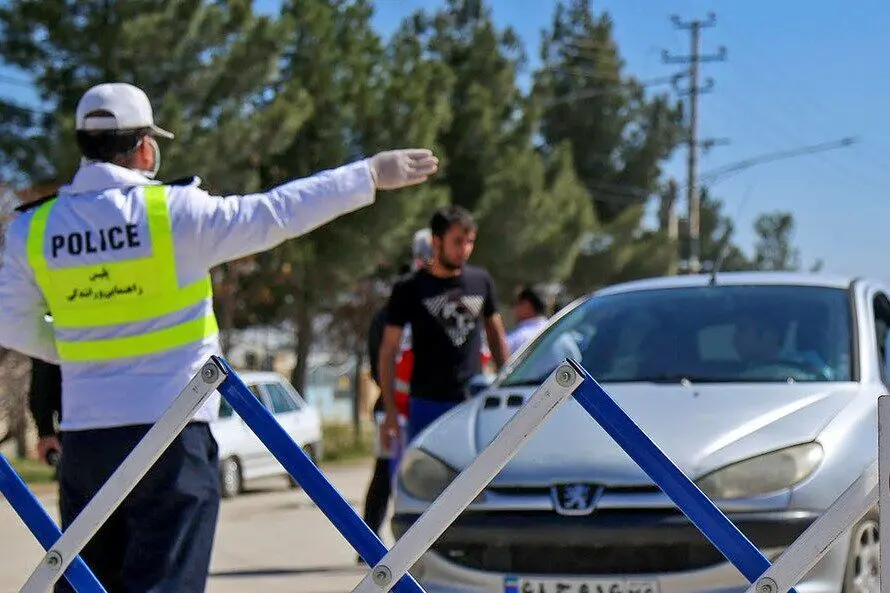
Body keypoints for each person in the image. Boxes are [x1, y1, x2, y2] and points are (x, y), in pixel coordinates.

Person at [0, 81, 439, 592]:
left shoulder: (34, 229)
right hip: (173, 434)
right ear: (145, 146)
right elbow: (276, 212)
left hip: (88, 439)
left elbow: (11, 323)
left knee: (86, 581)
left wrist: (77, 351)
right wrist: (363, 175)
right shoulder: (174, 213)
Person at [378, 205, 510, 444]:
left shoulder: (481, 281)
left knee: (478, 477)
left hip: (473, 400)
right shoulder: (409, 288)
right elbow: (388, 350)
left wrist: (507, 385)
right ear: (437, 241)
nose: (465, 249)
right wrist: (390, 410)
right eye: (457, 241)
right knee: (425, 479)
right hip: (426, 403)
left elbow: (496, 337)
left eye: (469, 242)